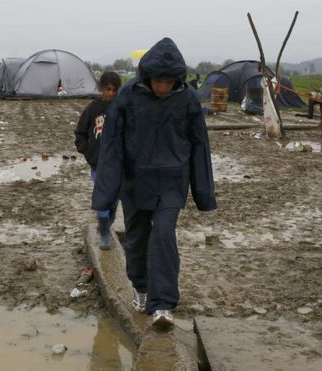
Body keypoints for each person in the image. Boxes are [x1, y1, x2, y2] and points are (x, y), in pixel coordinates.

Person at [92, 37, 217, 330]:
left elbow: (200, 145)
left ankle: (162, 305)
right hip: (135, 181)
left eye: (169, 82)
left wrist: (203, 193)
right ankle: (141, 287)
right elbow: (112, 146)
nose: (163, 88)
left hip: (172, 181)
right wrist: (106, 192)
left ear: (177, 80)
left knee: (163, 234)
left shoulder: (187, 99)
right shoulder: (127, 96)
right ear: (148, 78)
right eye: (158, 82)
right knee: (136, 237)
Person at [74, 71, 122, 248]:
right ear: (102, 88)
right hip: (98, 164)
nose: (110, 93)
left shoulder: (121, 109)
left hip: (118, 165)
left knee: (114, 200)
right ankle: (104, 234)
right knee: (102, 197)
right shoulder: (93, 109)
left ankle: (108, 224)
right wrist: (88, 152)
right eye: (107, 89)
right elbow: (80, 133)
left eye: (114, 90)